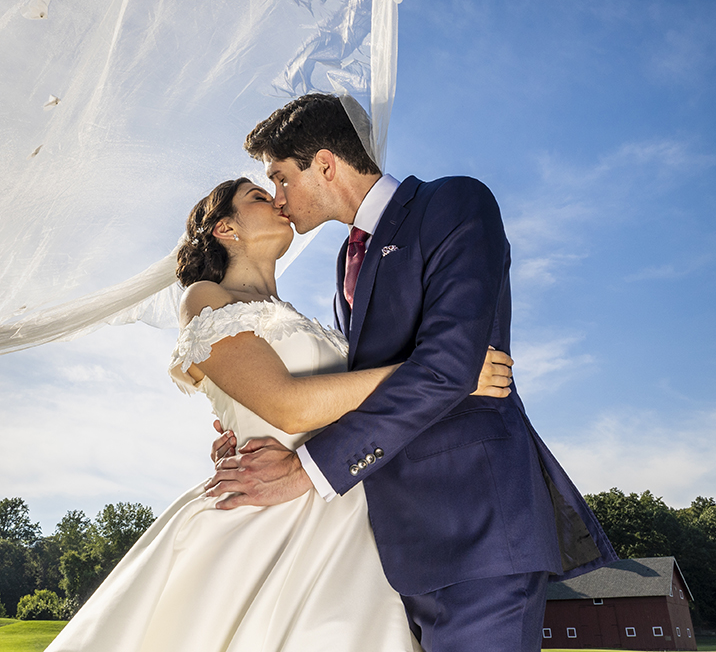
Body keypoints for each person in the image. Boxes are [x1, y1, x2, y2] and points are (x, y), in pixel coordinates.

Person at [205, 93, 617, 652]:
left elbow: (450, 365)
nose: (279, 198)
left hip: (477, 528)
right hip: (389, 548)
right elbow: (368, 390)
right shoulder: (343, 263)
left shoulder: (454, 203)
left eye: (280, 177)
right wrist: (260, 430)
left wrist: (305, 470)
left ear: (324, 164)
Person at [45, 176, 515, 652]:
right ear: (226, 228)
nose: (280, 201)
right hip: (268, 510)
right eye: (260, 197)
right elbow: (290, 406)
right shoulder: (206, 297)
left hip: (350, 504)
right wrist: (445, 375)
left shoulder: (316, 317)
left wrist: (436, 379)